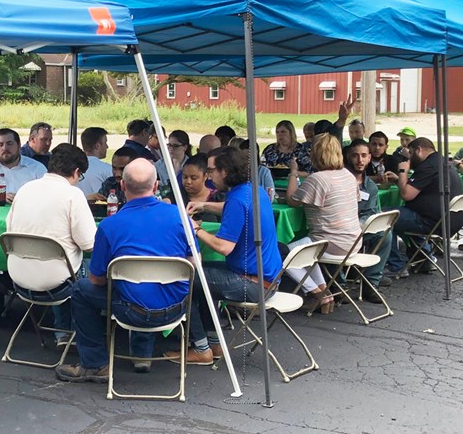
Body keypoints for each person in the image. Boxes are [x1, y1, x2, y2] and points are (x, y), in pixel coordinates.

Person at [55, 159, 192, 382]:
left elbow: (97, 280)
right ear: (156, 186)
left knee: (82, 289)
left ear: (122, 187)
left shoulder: (110, 226)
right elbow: (193, 264)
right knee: (146, 287)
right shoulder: (180, 217)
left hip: (132, 310)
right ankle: (141, 354)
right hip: (176, 308)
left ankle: (95, 364)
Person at [165, 146, 282, 365]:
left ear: (225, 171)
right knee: (198, 276)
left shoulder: (237, 200)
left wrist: (195, 229)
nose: (209, 175)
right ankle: (214, 343)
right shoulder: (252, 190)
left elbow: (224, 247)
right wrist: (205, 205)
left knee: (181, 277)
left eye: (211, 171)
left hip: (252, 283)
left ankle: (200, 348)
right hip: (268, 279)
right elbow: (233, 208)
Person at [6, 144, 96, 347]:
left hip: (18, 279)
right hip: (57, 285)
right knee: (85, 266)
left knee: (62, 262)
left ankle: (62, 332)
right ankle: (83, 334)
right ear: (76, 172)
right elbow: (89, 244)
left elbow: (10, 229)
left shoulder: (25, 189)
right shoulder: (73, 195)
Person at [285, 134, 362, 312]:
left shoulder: (318, 179)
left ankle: (316, 292)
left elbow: (291, 200)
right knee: (307, 250)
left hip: (329, 243)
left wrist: (293, 172)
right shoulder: (348, 176)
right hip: (353, 242)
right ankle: (324, 292)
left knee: (283, 255)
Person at [385, 137, 463, 277]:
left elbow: (406, 194)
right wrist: (399, 180)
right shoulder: (443, 162)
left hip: (433, 221)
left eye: (410, 154)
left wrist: (402, 171)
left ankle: (395, 265)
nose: (409, 159)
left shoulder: (428, 166)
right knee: (405, 216)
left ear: (418, 150)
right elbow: (419, 188)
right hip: (451, 219)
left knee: (384, 217)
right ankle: (424, 259)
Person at [344, 139, 393, 300]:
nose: (360, 160)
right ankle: (340, 286)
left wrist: (358, 225)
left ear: (369, 158)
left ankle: (371, 283)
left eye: (364, 156)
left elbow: (371, 212)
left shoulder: (370, 185)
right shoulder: (340, 180)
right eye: (355, 156)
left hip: (359, 228)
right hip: (340, 229)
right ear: (347, 157)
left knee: (385, 234)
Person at [78, 127, 112, 197]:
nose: (107, 146)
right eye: (105, 143)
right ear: (97, 146)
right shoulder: (107, 169)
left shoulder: (71, 168)